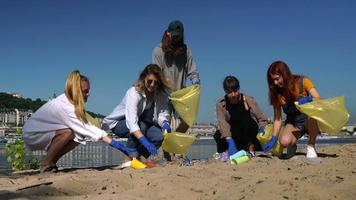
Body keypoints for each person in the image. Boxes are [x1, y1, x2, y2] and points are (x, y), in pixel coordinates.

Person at [23, 70, 136, 172]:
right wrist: (119, 146)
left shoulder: (70, 102)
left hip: (42, 132)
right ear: (76, 91)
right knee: (68, 132)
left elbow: (84, 128)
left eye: (88, 91)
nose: (88, 94)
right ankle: (46, 164)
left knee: (79, 136)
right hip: (32, 134)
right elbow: (88, 128)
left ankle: (52, 162)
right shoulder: (66, 107)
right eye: (85, 92)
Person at [102, 64, 171, 165]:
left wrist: (165, 122)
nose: (152, 85)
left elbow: (161, 114)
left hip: (141, 123)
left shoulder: (160, 94)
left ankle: (140, 156)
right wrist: (144, 140)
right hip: (119, 123)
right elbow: (132, 122)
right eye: (150, 81)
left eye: (156, 83)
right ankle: (129, 157)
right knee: (141, 127)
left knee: (158, 136)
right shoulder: (134, 93)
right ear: (144, 78)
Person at [264, 60, 321, 158]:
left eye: (277, 78)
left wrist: (309, 99)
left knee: (312, 115)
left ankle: (311, 145)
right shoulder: (277, 94)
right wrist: (274, 138)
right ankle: (292, 145)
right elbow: (278, 119)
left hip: (309, 119)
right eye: (272, 80)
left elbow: (318, 98)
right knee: (284, 141)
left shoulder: (302, 81)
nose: (275, 83)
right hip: (294, 123)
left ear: (284, 74)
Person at [152, 20, 200, 133]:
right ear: (167, 33)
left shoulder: (186, 51)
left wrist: (196, 82)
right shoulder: (158, 51)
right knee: (165, 121)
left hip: (180, 94)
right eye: (174, 36)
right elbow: (155, 73)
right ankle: (165, 149)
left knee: (187, 120)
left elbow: (192, 71)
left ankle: (175, 142)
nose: (176, 39)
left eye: (179, 37)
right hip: (163, 93)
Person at [216, 76, 268, 158]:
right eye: (229, 92)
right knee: (218, 134)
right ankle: (224, 152)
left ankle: (251, 145)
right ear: (225, 91)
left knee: (246, 122)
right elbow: (223, 123)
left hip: (249, 131)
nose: (233, 95)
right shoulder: (221, 104)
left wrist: (262, 129)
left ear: (239, 88)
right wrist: (229, 141)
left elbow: (261, 118)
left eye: (235, 91)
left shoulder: (247, 99)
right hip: (233, 132)